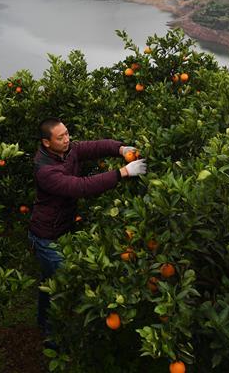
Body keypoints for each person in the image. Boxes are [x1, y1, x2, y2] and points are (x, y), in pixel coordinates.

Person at [27, 117, 147, 347]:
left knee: (49, 283)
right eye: (60, 137)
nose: (67, 139)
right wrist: (122, 172)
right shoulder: (45, 170)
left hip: (63, 229)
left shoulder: (68, 150)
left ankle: (43, 323)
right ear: (46, 142)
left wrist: (120, 148)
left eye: (67, 133)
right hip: (46, 236)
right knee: (61, 288)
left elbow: (94, 146)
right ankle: (55, 341)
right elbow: (79, 187)